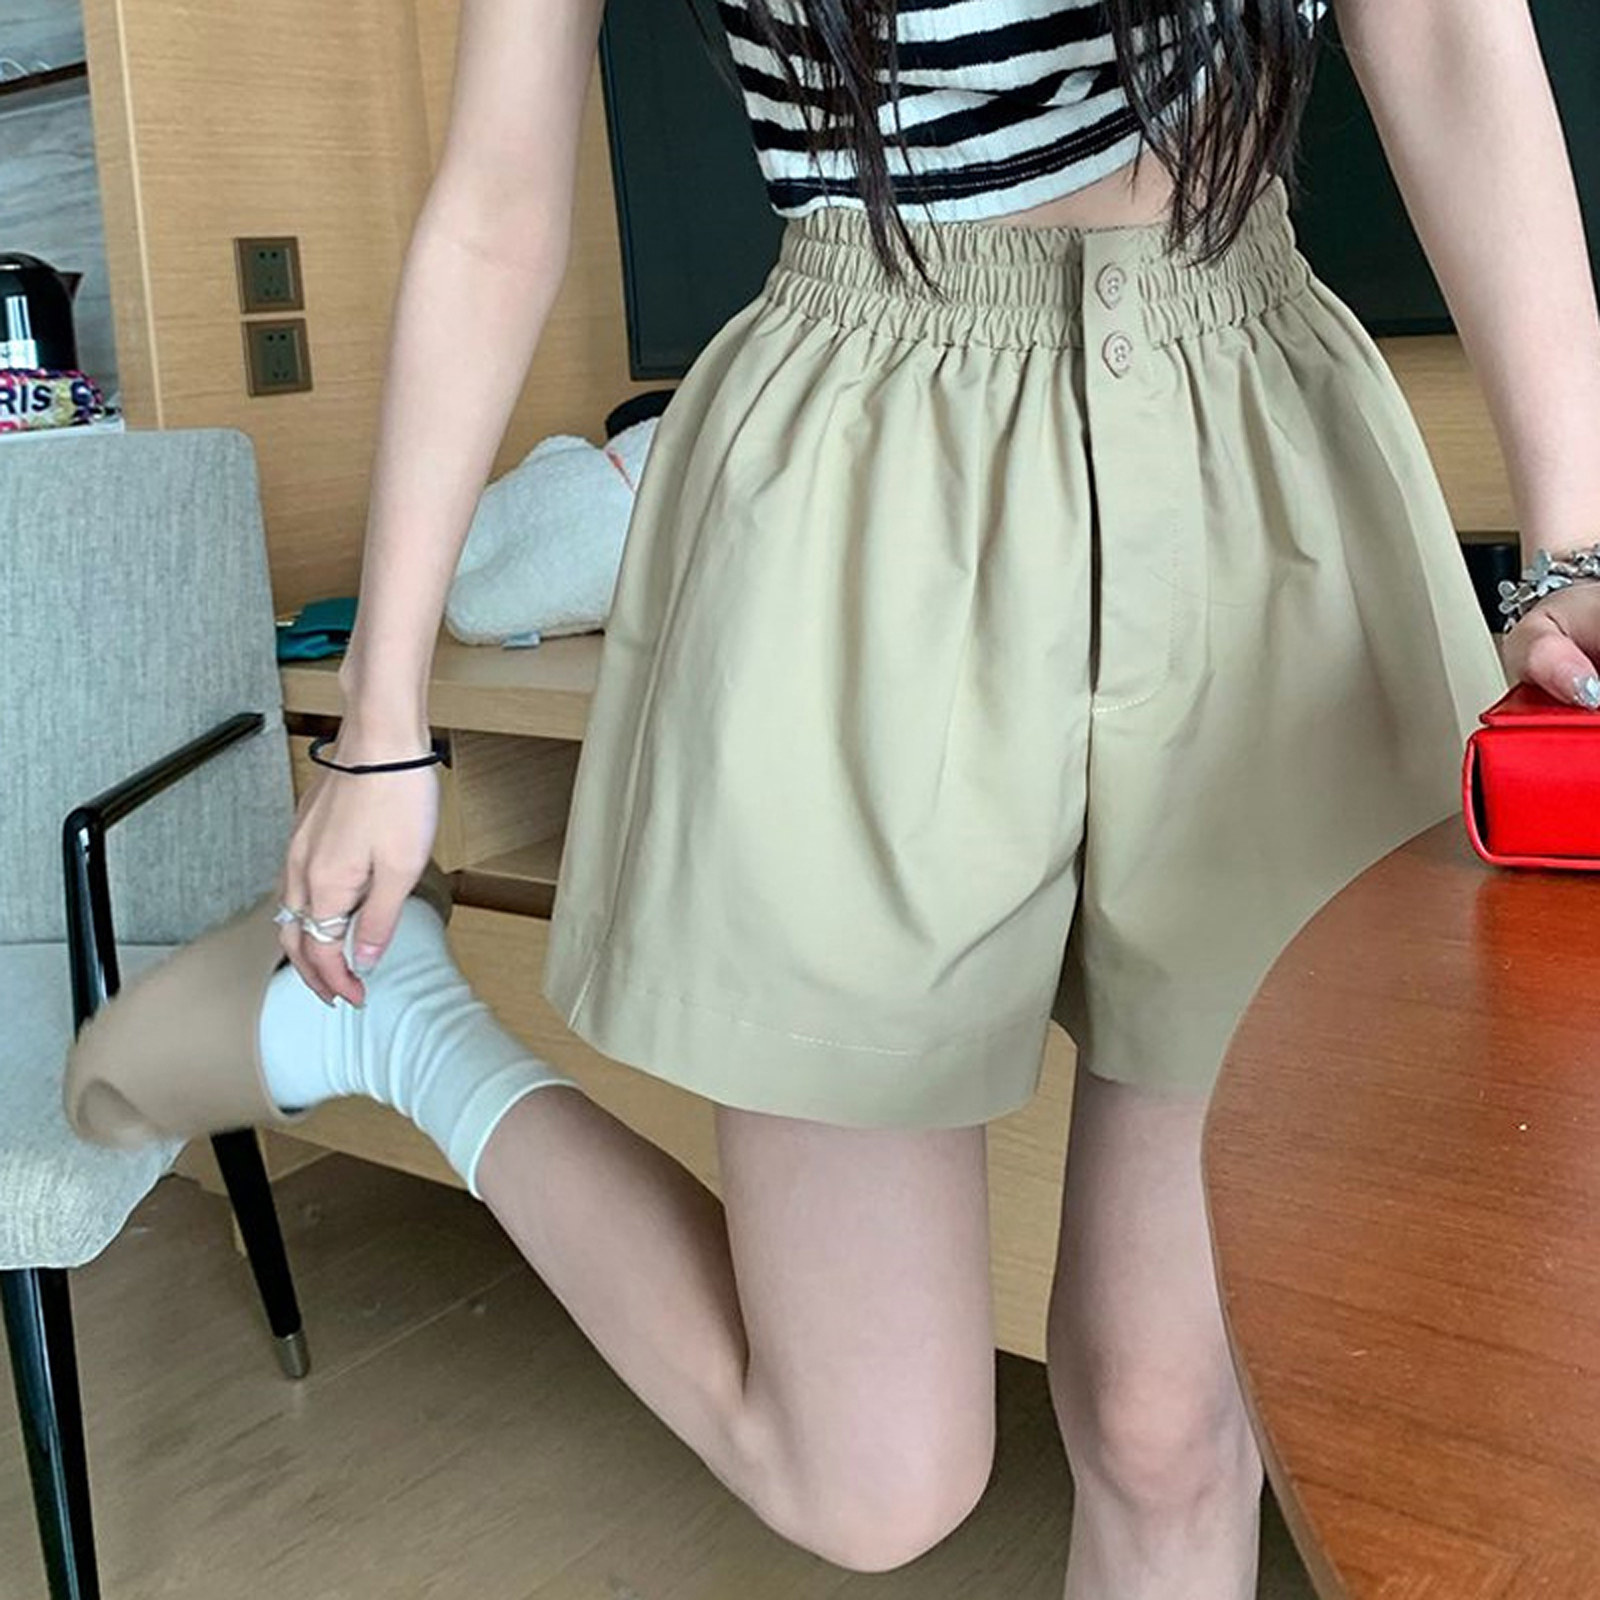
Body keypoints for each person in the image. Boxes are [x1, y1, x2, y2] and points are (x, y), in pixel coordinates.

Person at [65, 1, 1600, 1595]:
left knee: (1176, 1427)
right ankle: (404, 1034)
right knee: (871, 1473)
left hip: (1256, 443)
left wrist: (1579, 551)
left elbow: (1443, 36)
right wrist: (381, 718)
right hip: (867, 455)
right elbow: (497, 201)